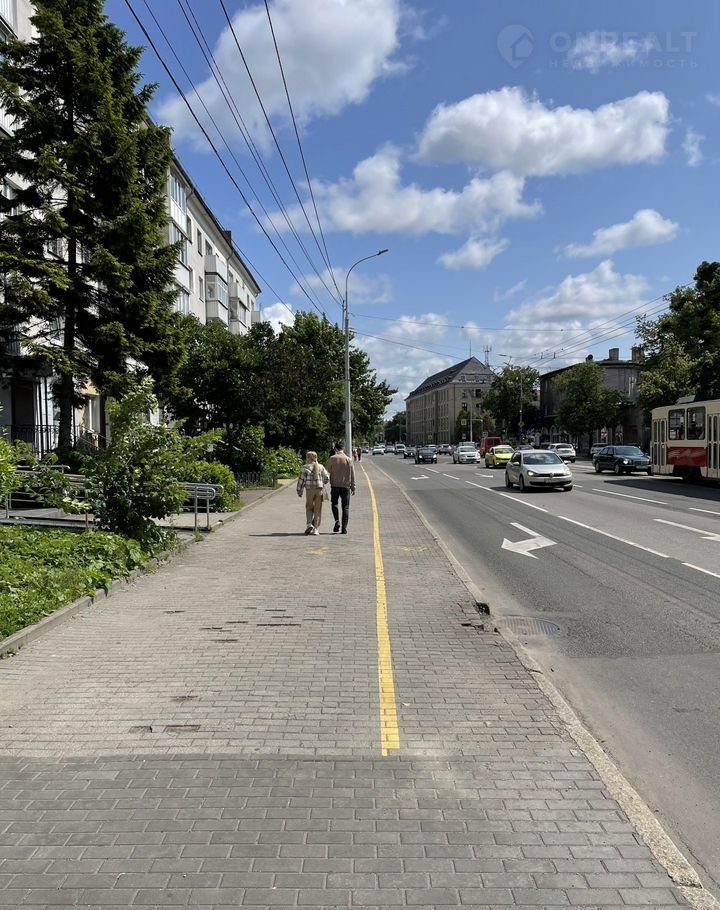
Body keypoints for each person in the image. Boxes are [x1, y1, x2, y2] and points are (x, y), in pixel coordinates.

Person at [296, 451, 330, 535]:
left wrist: (299, 490)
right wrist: (322, 482)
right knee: (317, 509)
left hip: (309, 490)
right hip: (319, 490)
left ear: (308, 458)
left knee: (309, 507)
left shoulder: (305, 468)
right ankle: (315, 529)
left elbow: (301, 480)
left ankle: (309, 525)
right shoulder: (321, 467)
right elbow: (327, 477)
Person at [328, 441, 356, 534]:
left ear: (335, 449)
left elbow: (328, 470)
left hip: (335, 485)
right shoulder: (348, 459)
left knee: (334, 504)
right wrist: (353, 487)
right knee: (345, 507)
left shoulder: (332, 458)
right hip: (346, 486)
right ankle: (344, 528)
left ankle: (337, 521)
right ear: (343, 448)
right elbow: (352, 474)